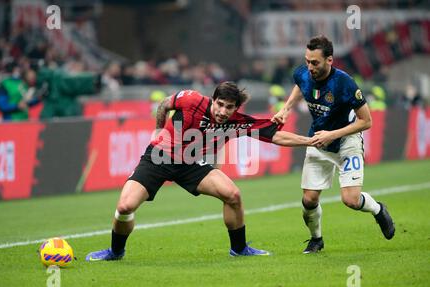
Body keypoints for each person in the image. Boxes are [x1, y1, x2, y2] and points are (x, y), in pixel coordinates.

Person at [86, 81, 317, 261]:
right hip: (158, 158)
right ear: (213, 100)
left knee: (233, 195)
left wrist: (309, 141)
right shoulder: (192, 100)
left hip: (191, 163)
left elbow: (275, 135)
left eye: (229, 107)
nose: (223, 111)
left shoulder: (237, 121)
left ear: (236, 108)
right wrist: (158, 128)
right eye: (220, 104)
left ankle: (239, 249)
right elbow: (165, 103)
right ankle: (116, 252)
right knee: (125, 207)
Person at [271, 36, 395, 254]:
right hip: (319, 140)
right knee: (309, 200)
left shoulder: (344, 83)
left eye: (315, 63)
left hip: (347, 142)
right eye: (307, 61)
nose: (309, 67)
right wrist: (286, 108)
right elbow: (300, 85)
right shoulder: (302, 72)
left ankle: (378, 209)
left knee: (351, 200)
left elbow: (366, 121)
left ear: (330, 60)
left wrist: (333, 134)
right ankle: (316, 239)